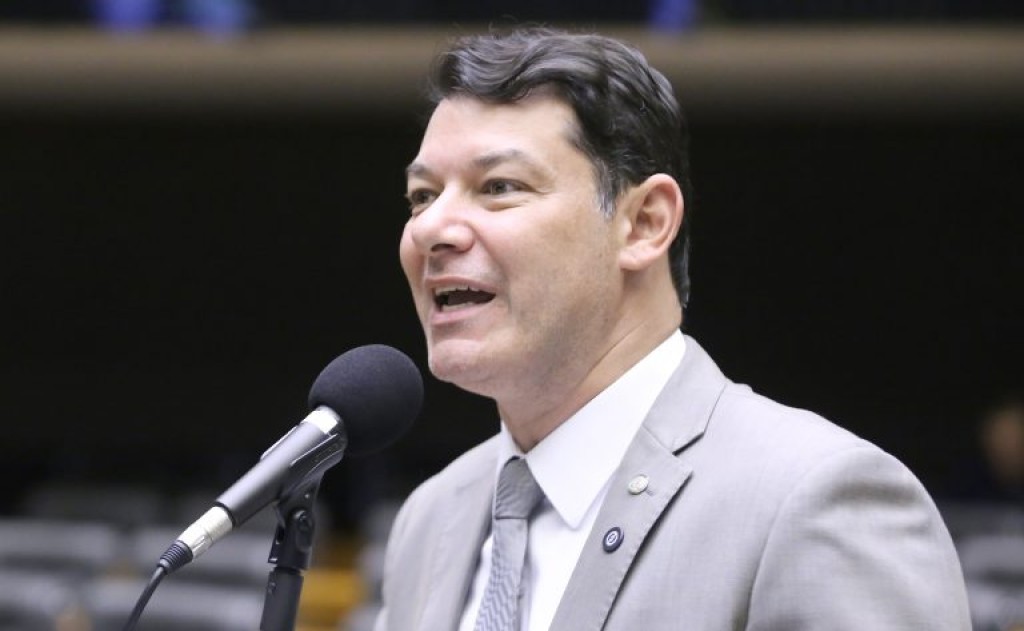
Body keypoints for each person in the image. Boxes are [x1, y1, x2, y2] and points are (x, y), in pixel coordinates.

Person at [377, 28, 970, 630]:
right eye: (422, 196)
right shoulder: (430, 519)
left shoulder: (814, 498)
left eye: (499, 187)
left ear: (644, 224)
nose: (430, 228)